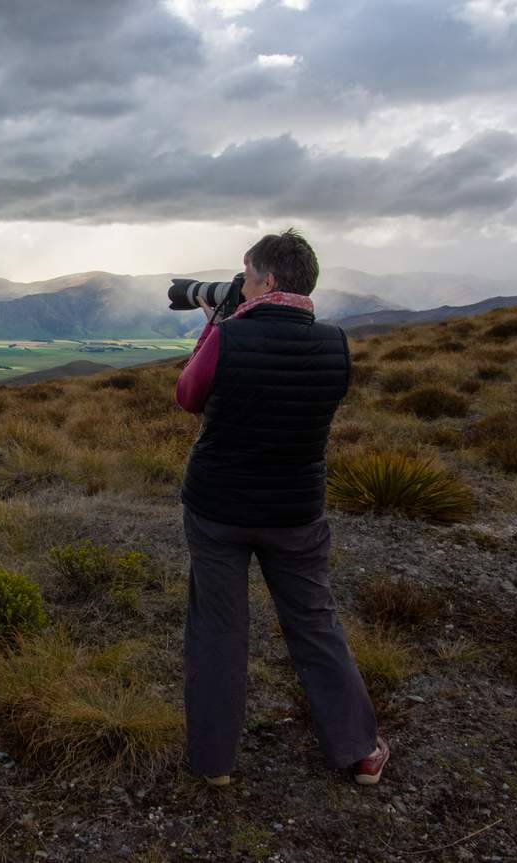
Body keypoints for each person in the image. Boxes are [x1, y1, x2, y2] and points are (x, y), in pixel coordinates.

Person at [173, 228, 389, 787]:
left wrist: (216, 323)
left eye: (245, 276)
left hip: (218, 508)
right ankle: (361, 752)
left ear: (266, 279)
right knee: (316, 624)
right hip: (296, 509)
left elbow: (187, 397)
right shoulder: (334, 342)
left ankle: (215, 763)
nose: (239, 286)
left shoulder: (230, 337)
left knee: (218, 630)